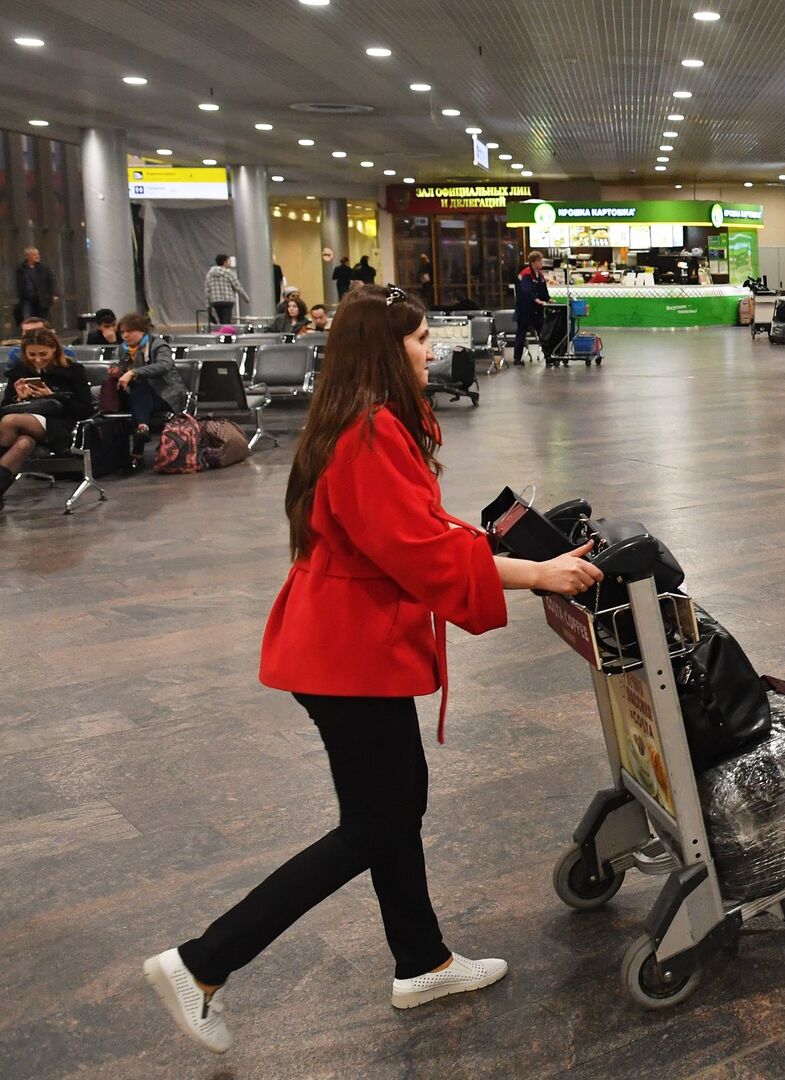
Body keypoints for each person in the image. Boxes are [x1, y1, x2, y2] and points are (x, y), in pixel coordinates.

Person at [142, 284, 604, 1056]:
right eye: (421, 339)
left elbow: (419, 529)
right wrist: (537, 576)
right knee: (377, 821)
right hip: (345, 657)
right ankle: (203, 961)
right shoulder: (366, 436)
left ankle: (421, 961)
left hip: (349, 651)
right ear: (386, 350)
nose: (433, 350)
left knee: (394, 806)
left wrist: (505, 552)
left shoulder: (368, 423)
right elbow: (420, 554)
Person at [0, 328, 94, 509]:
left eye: (43, 354)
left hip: (58, 424)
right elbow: (5, 407)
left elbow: (84, 409)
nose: (38, 359)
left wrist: (54, 395)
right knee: (23, 444)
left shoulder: (73, 370)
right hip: (23, 423)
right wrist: (19, 397)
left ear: (54, 349)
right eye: (32, 354)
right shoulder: (19, 372)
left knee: (10, 421)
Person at [107, 314, 188, 458]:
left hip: (164, 394)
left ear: (142, 330)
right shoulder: (122, 349)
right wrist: (117, 371)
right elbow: (122, 369)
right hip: (137, 395)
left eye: (129, 331)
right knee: (137, 390)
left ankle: (139, 441)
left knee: (141, 387)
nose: (125, 336)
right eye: (122, 332)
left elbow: (164, 365)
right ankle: (141, 430)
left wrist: (134, 372)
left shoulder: (158, 345)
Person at [511, 251, 551, 366]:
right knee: (521, 334)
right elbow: (526, 291)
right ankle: (517, 358)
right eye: (539, 261)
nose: (541, 263)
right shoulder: (525, 274)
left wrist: (548, 299)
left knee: (543, 334)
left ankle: (548, 357)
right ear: (533, 262)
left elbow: (543, 289)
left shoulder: (540, 275)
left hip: (537, 311)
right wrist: (536, 299)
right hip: (525, 310)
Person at [14, 246, 57, 326]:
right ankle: (29, 336)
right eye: (34, 254)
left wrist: (54, 294)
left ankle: (42, 337)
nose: (37, 256)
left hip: (41, 299)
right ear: (28, 256)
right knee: (27, 320)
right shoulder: (21, 269)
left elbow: (52, 280)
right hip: (27, 300)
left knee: (43, 322)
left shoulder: (43, 267)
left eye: (37, 254)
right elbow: (18, 284)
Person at [205, 254, 248, 328]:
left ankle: (222, 335)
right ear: (224, 262)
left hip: (215, 301)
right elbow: (237, 286)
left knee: (221, 321)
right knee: (227, 321)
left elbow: (207, 289)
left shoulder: (210, 273)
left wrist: (208, 304)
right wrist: (246, 298)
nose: (229, 263)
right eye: (229, 261)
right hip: (227, 300)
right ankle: (227, 336)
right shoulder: (228, 273)